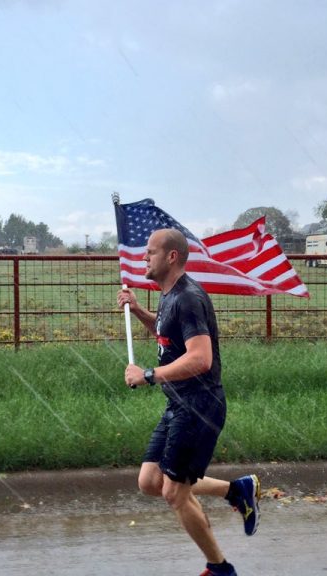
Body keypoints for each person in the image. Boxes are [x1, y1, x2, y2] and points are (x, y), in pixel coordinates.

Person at [117, 228, 261, 576]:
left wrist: (149, 375)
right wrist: (138, 311)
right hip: (179, 404)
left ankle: (220, 569)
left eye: (150, 252)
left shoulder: (188, 297)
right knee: (150, 481)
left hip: (200, 405)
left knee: (174, 492)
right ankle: (236, 491)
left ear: (171, 257)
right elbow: (168, 333)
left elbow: (200, 359)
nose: (143, 258)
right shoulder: (168, 296)